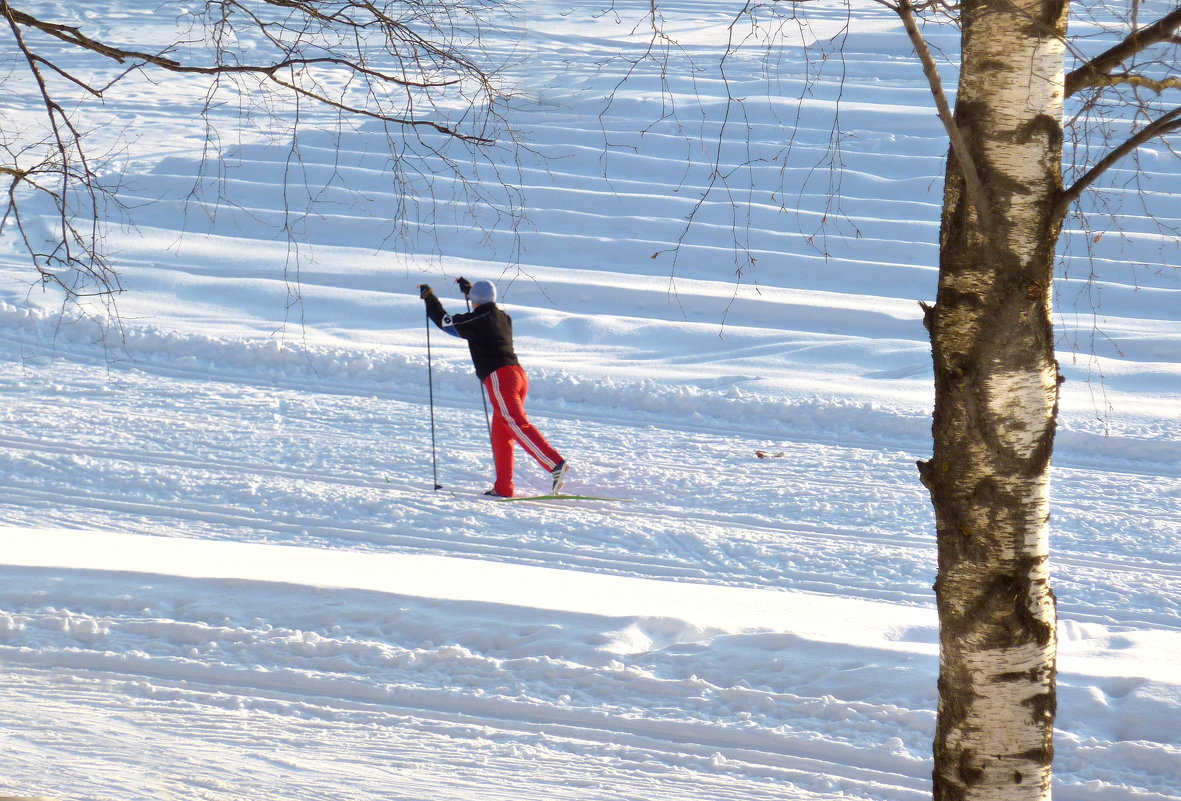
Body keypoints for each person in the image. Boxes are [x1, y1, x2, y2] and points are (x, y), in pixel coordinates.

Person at [418, 277, 568, 498]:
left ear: (476, 301)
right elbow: (482, 314)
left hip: (501, 377)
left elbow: (445, 322)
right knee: (501, 433)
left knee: (515, 424)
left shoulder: (479, 320)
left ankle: (555, 463)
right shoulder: (502, 317)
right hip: (518, 375)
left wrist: (430, 299)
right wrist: (470, 293)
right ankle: (503, 488)